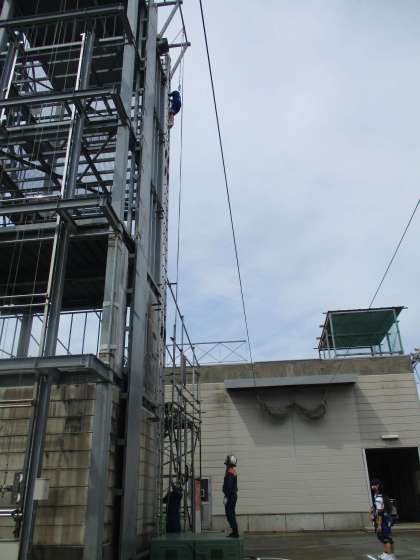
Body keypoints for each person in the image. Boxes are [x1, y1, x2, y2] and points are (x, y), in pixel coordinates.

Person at [370, 479, 396, 560]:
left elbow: (380, 513)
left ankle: (389, 556)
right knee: (386, 537)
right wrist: (372, 510)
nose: (372, 487)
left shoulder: (379, 498)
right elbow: (377, 507)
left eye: (373, 485)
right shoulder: (379, 495)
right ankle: (388, 553)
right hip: (386, 519)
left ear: (377, 486)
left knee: (385, 538)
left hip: (383, 520)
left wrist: (379, 525)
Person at [223, 455, 238, 538]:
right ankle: (235, 531)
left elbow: (228, 486)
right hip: (232, 496)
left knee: (230, 514)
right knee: (231, 513)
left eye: (227, 464)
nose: (226, 465)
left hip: (230, 496)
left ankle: (235, 532)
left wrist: (226, 497)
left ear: (229, 464)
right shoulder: (232, 471)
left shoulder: (230, 473)